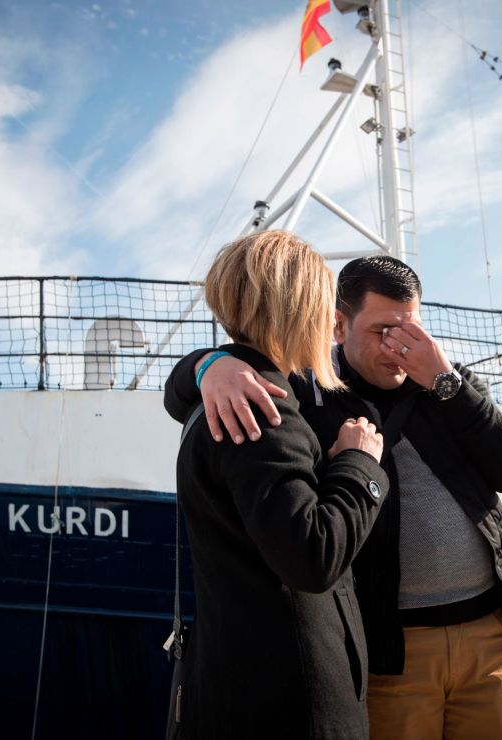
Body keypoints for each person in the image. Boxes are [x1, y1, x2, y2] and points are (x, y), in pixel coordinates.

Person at [166, 255, 502, 740]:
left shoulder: (447, 385)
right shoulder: (307, 391)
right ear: (338, 325)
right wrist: (209, 364)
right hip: (392, 649)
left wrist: (446, 382)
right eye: (384, 330)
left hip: (493, 639)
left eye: (412, 331)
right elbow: (179, 397)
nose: (400, 348)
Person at [163, 231, 389, 739]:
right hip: (290, 703)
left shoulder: (223, 395)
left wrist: (209, 363)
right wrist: (359, 465)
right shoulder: (263, 411)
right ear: (295, 310)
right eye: (324, 306)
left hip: (240, 690)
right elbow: (312, 555)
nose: (333, 323)